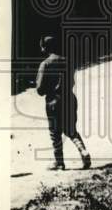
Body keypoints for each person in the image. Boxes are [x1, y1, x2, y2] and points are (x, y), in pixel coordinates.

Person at [35, 35, 91, 170]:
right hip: (70, 99)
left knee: (55, 134)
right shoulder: (68, 61)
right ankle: (83, 152)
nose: (41, 49)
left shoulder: (45, 64)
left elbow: (40, 90)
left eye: (42, 47)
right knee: (71, 130)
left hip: (53, 102)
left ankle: (59, 162)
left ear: (46, 48)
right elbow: (72, 82)